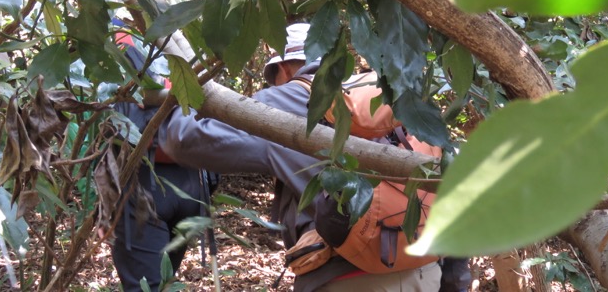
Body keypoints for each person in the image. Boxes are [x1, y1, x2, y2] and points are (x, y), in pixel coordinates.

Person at [158, 23, 445, 291]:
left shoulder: (285, 100)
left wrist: (181, 93)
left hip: (348, 276)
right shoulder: (383, 93)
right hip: (423, 267)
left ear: (283, 69)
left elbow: (183, 138)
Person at [109, 22, 215, 292]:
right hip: (192, 185)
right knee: (163, 282)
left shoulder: (120, 46)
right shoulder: (178, 41)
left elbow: (116, 126)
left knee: (148, 286)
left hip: (145, 188)